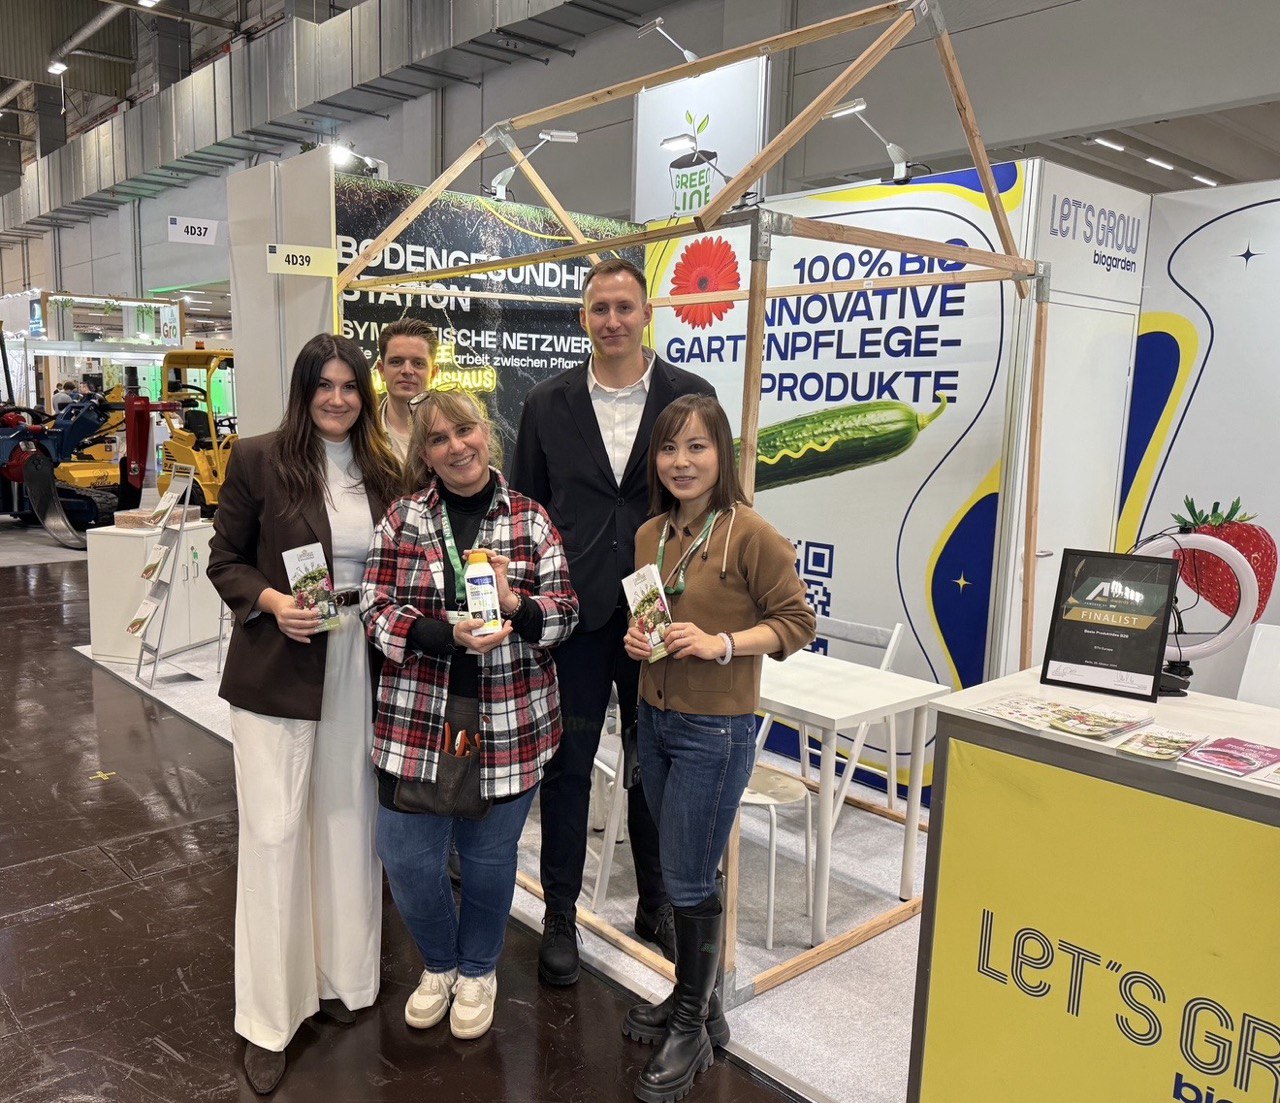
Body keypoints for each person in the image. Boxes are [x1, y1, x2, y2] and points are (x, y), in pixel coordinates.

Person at [509, 256, 715, 984]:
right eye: (600, 308)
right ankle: (560, 913)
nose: (613, 320)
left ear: (647, 313)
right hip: (577, 617)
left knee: (655, 763)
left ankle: (656, 902)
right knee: (567, 767)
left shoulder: (690, 395)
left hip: (663, 611)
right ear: (583, 317)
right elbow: (527, 509)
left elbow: (711, 498)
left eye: (625, 307)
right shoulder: (547, 402)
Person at [208, 333, 402, 1095]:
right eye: (324, 385)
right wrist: (271, 600)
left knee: (349, 823)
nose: (337, 398)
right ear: (304, 390)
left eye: (350, 385)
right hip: (281, 663)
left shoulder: (384, 468)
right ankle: (268, 1018)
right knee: (275, 831)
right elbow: (225, 558)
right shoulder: (260, 457)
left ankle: (344, 976)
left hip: (360, 659)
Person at [362, 387, 578, 1040]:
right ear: (424, 454)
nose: (456, 447)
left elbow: (565, 613)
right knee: (406, 855)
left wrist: (516, 606)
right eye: (438, 438)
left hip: (507, 720)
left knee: (488, 856)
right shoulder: (403, 519)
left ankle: (479, 968)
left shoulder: (530, 519)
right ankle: (439, 962)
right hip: (421, 717)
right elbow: (375, 606)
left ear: (487, 433)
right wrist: (443, 635)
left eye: (465, 431)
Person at [622, 394, 815, 1103]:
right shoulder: (650, 535)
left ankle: (691, 1026)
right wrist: (638, 640)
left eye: (697, 447)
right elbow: (649, 619)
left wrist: (723, 643)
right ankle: (699, 1007)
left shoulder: (750, 533)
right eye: (669, 448)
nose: (681, 462)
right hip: (654, 718)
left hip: (715, 730)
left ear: (722, 455)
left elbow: (797, 621)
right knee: (679, 868)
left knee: (687, 878)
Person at [376, 318, 438, 461]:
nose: (407, 371)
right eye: (396, 362)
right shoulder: (361, 432)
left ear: (433, 373)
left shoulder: (453, 433)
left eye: (418, 363)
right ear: (381, 370)